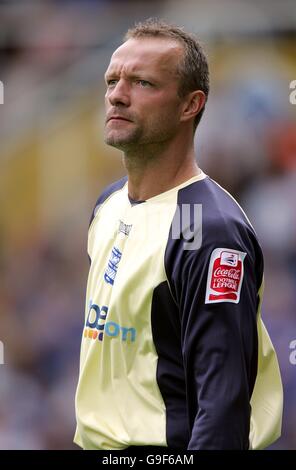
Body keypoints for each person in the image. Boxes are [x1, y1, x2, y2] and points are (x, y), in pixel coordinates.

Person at [74, 18, 283, 450]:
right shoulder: (108, 206)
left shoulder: (210, 231)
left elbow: (223, 408)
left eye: (142, 83)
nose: (116, 94)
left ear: (191, 105)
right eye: (112, 80)